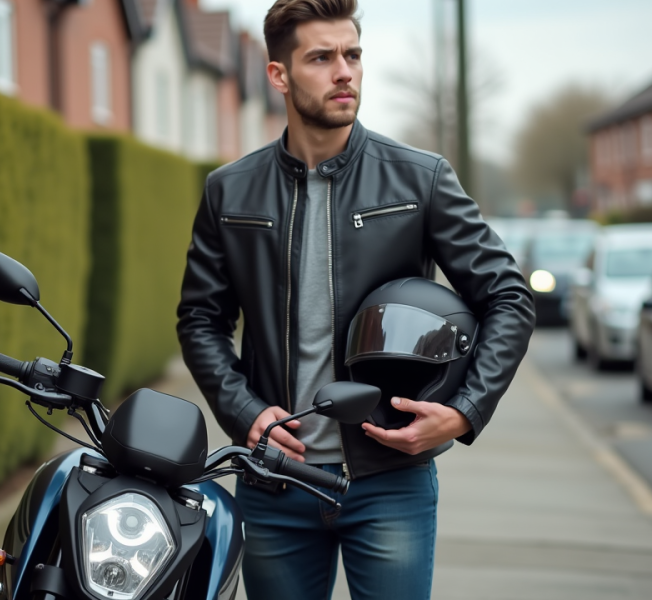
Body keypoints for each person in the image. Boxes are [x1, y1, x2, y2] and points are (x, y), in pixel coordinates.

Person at [177, 0, 535, 598]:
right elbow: (200, 319)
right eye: (322, 57)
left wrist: (465, 410)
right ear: (279, 75)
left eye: (353, 54)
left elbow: (508, 297)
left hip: (390, 481)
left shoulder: (419, 178)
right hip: (275, 481)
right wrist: (244, 412)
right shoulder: (229, 191)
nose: (344, 71)